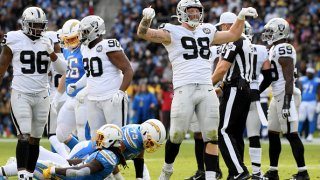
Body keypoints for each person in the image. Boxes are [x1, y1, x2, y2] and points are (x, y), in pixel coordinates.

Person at [137, 0, 258, 179]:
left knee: (211, 135)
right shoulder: (172, 31)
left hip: (206, 88)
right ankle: (167, 170)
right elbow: (143, 33)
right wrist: (145, 20)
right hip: (183, 88)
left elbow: (233, 34)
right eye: (190, 11)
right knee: (176, 135)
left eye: (197, 11)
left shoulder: (207, 30)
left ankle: (210, 176)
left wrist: (240, 17)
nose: (194, 15)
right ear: (181, 13)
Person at [0, 7, 67, 179]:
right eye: (34, 24)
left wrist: (51, 53)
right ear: (25, 24)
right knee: (24, 134)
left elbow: (63, 69)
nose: (38, 28)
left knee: (35, 138)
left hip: (42, 95)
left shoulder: (50, 39)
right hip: (21, 93)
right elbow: (2, 67)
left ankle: (29, 174)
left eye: (40, 25)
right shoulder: (14, 38)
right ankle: (22, 174)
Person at [261, 18, 310, 180]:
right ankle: (273, 171)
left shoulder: (284, 48)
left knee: (291, 133)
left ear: (279, 31)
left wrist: (287, 103)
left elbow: (289, 78)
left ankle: (303, 173)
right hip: (277, 95)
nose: (267, 35)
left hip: (285, 94)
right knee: (273, 133)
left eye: (270, 32)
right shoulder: (274, 48)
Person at [73, 15, 133, 136]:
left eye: (85, 31)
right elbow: (91, 75)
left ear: (95, 30)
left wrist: (121, 92)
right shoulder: (84, 49)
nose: (82, 35)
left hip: (111, 97)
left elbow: (128, 70)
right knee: (96, 138)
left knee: (116, 136)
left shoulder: (108, 45)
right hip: (93, 98)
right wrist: (83, 89)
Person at [211, 12, 254, 179]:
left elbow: (222, 69)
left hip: (236, 89)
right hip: (244, 89)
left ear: (228, 26)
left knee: (222, 131)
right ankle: (235, 171)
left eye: (222, 27)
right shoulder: (246, 41)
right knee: (235, 134)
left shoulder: (234, 40)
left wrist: (206, 86)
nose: (221, 30)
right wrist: (220, 87)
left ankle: (238, 171)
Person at [38, 124, 127, 180]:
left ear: (110, 140)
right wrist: (68, 161)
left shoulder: (107, 156)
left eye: (101, 137)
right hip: (71, 174)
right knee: (38, 152)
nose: (98, 139)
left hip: (70, 177)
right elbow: (87, 162)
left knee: (31, 163)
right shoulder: (108, 152)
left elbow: (81, 171)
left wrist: (53, 170)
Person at [243, 21, 271, 179]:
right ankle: (256, 173)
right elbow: (268, 76)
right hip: (253, 93)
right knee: (254, 135)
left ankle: (237, 170)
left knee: (232, 134)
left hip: (236, 93)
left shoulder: (232, 47)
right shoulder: (261, 50)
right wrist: (257, 90)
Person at [55, 19, 88, 148]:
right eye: (67, 39)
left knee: (82, 133)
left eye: (73, 39)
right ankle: (83, 157)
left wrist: (79, 86)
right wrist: (57, 96)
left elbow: (90, 73)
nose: (69, 42)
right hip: (71, 97)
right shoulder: (66, 51)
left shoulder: (86, 49)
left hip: (85, 96)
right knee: (61, 134)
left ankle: (89, 162)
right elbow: (65, 73)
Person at [298, 67, 320, 142]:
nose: (308, 74)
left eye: (309, 73)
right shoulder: (303, 80)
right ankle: (298, 133)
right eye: (307, 73)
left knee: (311, 119)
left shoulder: (316, 81)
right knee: (301, 118)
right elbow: (300, 90)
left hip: (312, 101)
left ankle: (310, 134)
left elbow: (318, 92)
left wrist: (318, 102)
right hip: (303, 101)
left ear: (313, 74)